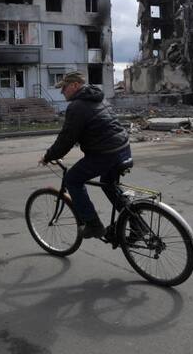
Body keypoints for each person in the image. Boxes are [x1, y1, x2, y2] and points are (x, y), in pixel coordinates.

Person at [39, 71, 131, 239]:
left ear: (75, 85)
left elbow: (66, 139)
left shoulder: (77, 106)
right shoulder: (99, 98)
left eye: (64, 87)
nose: (62, 91)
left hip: (105, 154)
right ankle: (136, 222)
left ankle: (93, 225)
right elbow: (96, 126)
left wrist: (49, 156)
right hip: (123, 148)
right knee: (108, 183)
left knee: (72, 180)